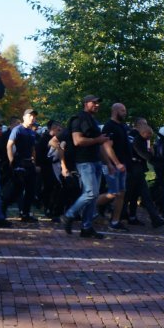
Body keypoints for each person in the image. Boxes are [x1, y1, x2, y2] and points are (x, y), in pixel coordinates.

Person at [62, 95, 124, 239]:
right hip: (84, 162)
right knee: (90, 193)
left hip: (95, 161)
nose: (97, 105)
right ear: (85, 103)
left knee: (93, 195)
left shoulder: (94, 121)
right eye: (93, 103)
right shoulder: (79, 118)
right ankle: (69, 214)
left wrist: (108, 163)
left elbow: (100, 144)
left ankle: (87, 227)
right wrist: (98, 140)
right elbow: (77, 141)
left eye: (98, 103)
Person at [126, 119, 164, 228]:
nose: (150, 137)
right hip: (135, 170)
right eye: (149, 134)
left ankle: (132, 217)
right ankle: (154, 218)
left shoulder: (141, 140)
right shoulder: (137, 141)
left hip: (137, 170)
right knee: (139, 195)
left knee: (134, 195)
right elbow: (147, 156)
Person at [5, 108, 39, 222]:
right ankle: (2, 209)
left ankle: (25, 214)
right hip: (19, 163)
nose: (33, 118)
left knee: (31, 190)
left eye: (34, 116)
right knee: (16, 190)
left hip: (29, 164)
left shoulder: (32, 132)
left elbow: (33, 148)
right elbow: (9, 145)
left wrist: (34, 160)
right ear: (24, 117)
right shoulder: (17, 129)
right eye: (30, 116)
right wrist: (12, 162)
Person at [100, 103, 131, 230]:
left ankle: (115, 221)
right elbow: (106, 146)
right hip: (112, 165)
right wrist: (115, 163)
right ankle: (89, 206)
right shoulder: (109, 126)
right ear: (115, 111)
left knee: (121, 194)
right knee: (114, 193)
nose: (125, 113)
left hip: (122, 165)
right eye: (123, 110)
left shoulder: (122, 126)